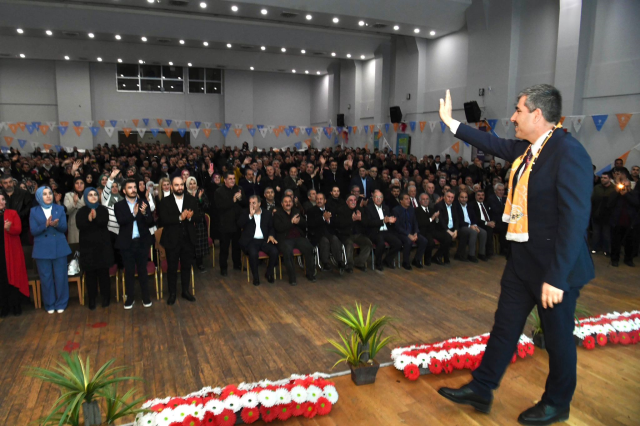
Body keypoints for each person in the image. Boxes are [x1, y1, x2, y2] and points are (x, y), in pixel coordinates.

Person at [437, 85, 594, 425]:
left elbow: (575, 220)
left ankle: (557, 403)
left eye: (518, 110)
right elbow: (492, 144)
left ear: (537, 115)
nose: (512, 117)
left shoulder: (568, 152)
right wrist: (451, 123)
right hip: (522, 262)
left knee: (557, 340)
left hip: (554, 271)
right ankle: (482, 388)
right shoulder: (528, 150)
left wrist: (557, 277)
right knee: (505, 327)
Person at [114, 179, 155, 309]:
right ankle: (130, 298)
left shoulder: (144, 202)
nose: (133, 190)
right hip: (127, 244)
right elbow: (121, 221)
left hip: (142, 242)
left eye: (134, 187)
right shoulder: (119, 205)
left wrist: (145, 213)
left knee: (143, 270)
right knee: (129, 271)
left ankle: (146, 297)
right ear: (124, 190)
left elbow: (151, 222)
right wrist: (134, 214)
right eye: (130, 187)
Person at [158, 176, 199, 304]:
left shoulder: (191, 199)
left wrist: (191, 217)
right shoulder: (165, 201)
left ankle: (185, 291)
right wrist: (180, 218)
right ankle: (172, 293)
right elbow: (163, 219)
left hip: (188, 239)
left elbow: (199, 216)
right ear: (171, 187)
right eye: (176, 185)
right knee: (172, 268)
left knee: (186, 266)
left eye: (181, 184)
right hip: (172, 240)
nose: (180, 187)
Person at [30, 186, 71, 314]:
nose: (48, 196)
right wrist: (45, 225)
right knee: (45, 278)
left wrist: (57, 225)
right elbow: (33, 231)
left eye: (50, 193)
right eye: (45, 194)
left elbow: (64, 228)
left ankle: (61, 303)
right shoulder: (34, 211)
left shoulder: (59, 208)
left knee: (61, 277)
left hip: (59, 247)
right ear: (39, 197)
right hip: (42, 250)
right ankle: (49, 304)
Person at [76, 187, 114, 310]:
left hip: (102, 248)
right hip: (88, 249)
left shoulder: (103, 209)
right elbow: (80, 225)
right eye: (90, 195)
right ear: (86, 197)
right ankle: (92, 299)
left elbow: (104, 222)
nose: (93, 197)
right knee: (90, 275)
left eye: (95, 195)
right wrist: (88, 219)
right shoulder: (81, 211)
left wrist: (96, 217)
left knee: (104, 275)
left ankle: (106, 298)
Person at [272, 195, 317, 285]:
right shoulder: (277, 214)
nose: (288, 203)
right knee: (288, 252)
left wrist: (299, 222)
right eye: (286, 202)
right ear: (282, 204)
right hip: (285, 239)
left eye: (290, 201)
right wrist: (291, 222)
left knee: (309, 248)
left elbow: (305, 224)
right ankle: (292, 278)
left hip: (298, 238)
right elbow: (279, 228)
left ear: (292, 203)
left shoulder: (296, 211)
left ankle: (310, 274)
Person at [238, 195, 279, 285]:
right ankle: (256, 277)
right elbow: (240, 224)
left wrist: (271, 235)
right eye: (250, 203)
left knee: (274, 251)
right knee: (253, 254)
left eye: (254, 203)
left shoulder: (267, 213)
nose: (252, 205)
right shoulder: (245, 212)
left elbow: (271, 227)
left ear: (259, 204)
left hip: (264, 240)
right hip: (251, 241)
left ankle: (269, 273)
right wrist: (250, 216)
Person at [0, 192, 29, 317]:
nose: (1, 202)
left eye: (2, 199)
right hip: (1, 253)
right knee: (2, 280)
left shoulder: (12, 213)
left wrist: (8, 228)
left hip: (12, 251)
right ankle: (4, 307)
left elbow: (18, 230)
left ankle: (16, 305)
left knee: (14, 277)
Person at [215, 171, 247, 276]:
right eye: (230, 179)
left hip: (237, 223)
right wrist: (233, 200)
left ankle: (237, 264)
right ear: (225, 180)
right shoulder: (219, 191)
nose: (233, 180)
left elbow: (245, 203)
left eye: (234, 178)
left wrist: (240, 198)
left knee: (236, 246)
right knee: (224, 248)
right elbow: (219, 206)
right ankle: (223, 268)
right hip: (225, 224)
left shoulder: (239, 189)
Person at [363, 190, 401, 270]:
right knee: (381, 243)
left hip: (386, 231)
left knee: (398, 243)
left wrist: (391, 221)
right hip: (375, 232)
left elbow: (389, 221)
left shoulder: (386, 208)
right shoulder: (368, 209)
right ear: (373, 198)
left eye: (380, 197)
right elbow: (369, 223)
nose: (378, 199)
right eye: (376, 197)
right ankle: (378, 262)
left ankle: (387, 260)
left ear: (383, 199)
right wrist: (383, 221)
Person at [307, 193, 345, 273]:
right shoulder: (311, 211)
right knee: (325, 241)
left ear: (325, 201)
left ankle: (339, 261)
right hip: (317, 234)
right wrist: (323, 218)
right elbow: (311, 224)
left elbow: (336, 223)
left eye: (321, 199)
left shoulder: (331, 209)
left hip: (330, 232)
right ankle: (325, 263)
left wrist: (329, 221)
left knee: (335, 239)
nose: (319, 201)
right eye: (317, 199)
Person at [392, 193, 430, 269]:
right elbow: (397, 227)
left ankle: (416, 260)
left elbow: (415, 222)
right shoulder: (395, 210)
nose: (408, 200)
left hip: (412, 232)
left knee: (424, 241)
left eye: (409, 199)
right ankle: (405, 262)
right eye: (406, 199)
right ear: (401, 201)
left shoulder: (411, 209)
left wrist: (416, 232)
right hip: (401, 233)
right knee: (408, 241)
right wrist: (408, 235)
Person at [335, 195, 373, 272]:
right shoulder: (341, 210)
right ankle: (349, 265)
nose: (353, 202)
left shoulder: (359, 210)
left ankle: (359, 262)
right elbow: (339, 225)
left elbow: (367, 223)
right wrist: (351, 219)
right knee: (349, 244)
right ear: (347, 202)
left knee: (368, 243)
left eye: (355, 200)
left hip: (358, 235)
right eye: (351, 200)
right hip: (346, 235)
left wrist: (360, 219)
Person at [607, 176, 638, 267]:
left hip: (630, 223)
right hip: (617, 222)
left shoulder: (634, 194)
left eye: (627, 186)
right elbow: (609, 204)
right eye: (623, 185)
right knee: (615, 243)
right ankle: (614, 259)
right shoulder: (615, 194)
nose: (624, 188)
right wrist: (616, 192)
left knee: (630, 243)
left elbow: (636, 203)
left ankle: (628, 259)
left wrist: (626, 194)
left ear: (630, 187)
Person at [453, 191, 488, 263]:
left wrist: (475, 225)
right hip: (462, 226)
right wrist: (470, 226)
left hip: (471, 225)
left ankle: (481, 253)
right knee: (473, 232)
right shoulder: (455, 206)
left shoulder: (469, 206)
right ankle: (471, 255)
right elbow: (458, 220)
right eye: (462, 197)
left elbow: (474, 217)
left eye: (465, 197)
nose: (464, 199)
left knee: (483, 232)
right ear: (458, 198)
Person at [186, 176, 210, 272]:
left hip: (200, 222)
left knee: (199, 243)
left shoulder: (201, 193)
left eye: (194, 183)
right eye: (190, 184)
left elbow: (206, 206)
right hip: (189, 222)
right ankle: (190, 262)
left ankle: (200, 263)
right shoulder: (185, 195)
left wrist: (199, 199)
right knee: (190, 243)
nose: (192, 186)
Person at [2, 173, 32, 244]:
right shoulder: (1, 195)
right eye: (5, 183)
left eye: (10, 182)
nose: (8, 184)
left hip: (22, 227)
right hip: (4, 229)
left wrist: (16, 217)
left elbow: (29, 208)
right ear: (1, 184)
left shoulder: (24, 193)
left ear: (13, 182)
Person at [590, 171, 615, 256]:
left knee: (606, 234)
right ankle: (594, 248)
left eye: (605, 178)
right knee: (596, 233)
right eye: (602, 178)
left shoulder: (614, 189)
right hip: (596, 214)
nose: (602, 179)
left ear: (610, 179)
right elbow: (592, 199)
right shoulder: (597, 188)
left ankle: (606, 250)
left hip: (608, 215)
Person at [415, 193, 440, 266]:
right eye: (423, 199)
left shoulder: (432, 210)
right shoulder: (417, 210)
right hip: (423, 231)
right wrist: (432, 218)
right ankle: (427, 259)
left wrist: (437, 218)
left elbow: (436, 222)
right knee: (430, 242)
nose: (425, 201)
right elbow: (421, 223)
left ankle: (437, 256)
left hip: (432, 230)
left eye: (427, 199)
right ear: (420, 201)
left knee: (446, 237)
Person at [470, 189, 495, 259]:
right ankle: (487, 252)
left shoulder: (486, 204)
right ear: (475, 196)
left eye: (482, 195)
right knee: (488, 229)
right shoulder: (472, 205)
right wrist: (486, 223)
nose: (481, 197)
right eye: (479, 195)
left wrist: (493, 221)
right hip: (479, 224)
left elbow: (492, 214)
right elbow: (475, 218)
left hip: (489, 223)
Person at [63, 176, 86, 245]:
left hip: (86, 224)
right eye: (77, 183)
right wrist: (74, 203)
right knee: (75, 246)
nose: (79, 185)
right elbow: (67, 211)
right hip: (74, 224)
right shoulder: (68, 195)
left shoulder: (89, 194)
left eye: (81, 183)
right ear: (74, 184)